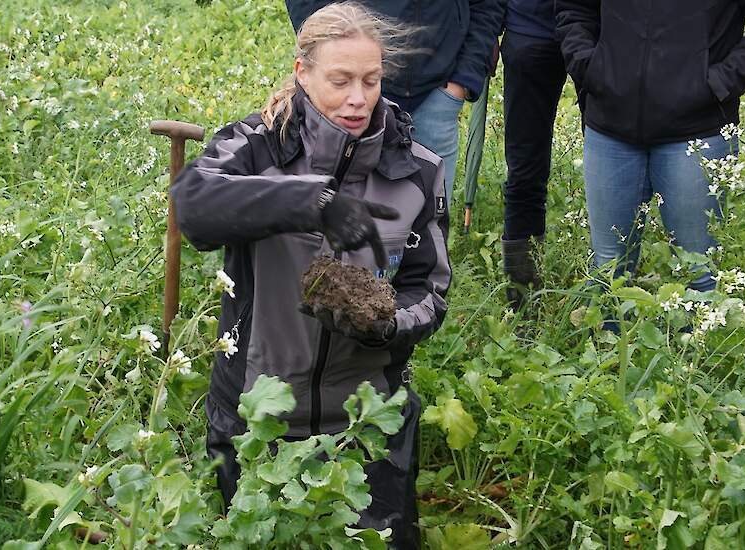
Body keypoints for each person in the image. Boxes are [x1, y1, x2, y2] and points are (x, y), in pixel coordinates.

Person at [171, 3, 451, 547]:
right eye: (339, 81)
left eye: (370, 81)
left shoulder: (415, 167)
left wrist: (389, 324)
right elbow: (193, 206)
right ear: (303, 73)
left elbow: (431, 289)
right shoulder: (258, 144)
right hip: (259, 413)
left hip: (367, 418)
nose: (357, 99)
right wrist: (310, 202)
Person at [556, 0, 745, 295]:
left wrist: (719, 82)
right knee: (607, 274)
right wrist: (589, 66)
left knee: (701, 275)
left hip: (696, 132)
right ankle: (606, 340)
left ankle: (700, 340)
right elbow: (572, 8)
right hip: (610, 129)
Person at [285, 0, 505, 204]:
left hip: (437, 94)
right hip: (352, 91)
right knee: (336, 225)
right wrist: (336, 62)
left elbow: (487, 5)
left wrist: (462, 80)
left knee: (428, 228)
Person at [499, 0, 573, 311]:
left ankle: (611, 300)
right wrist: (489, 29)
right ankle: (524, 307)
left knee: (616, 158)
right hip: (530, 27)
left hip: (605, 32)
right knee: (525, 170)